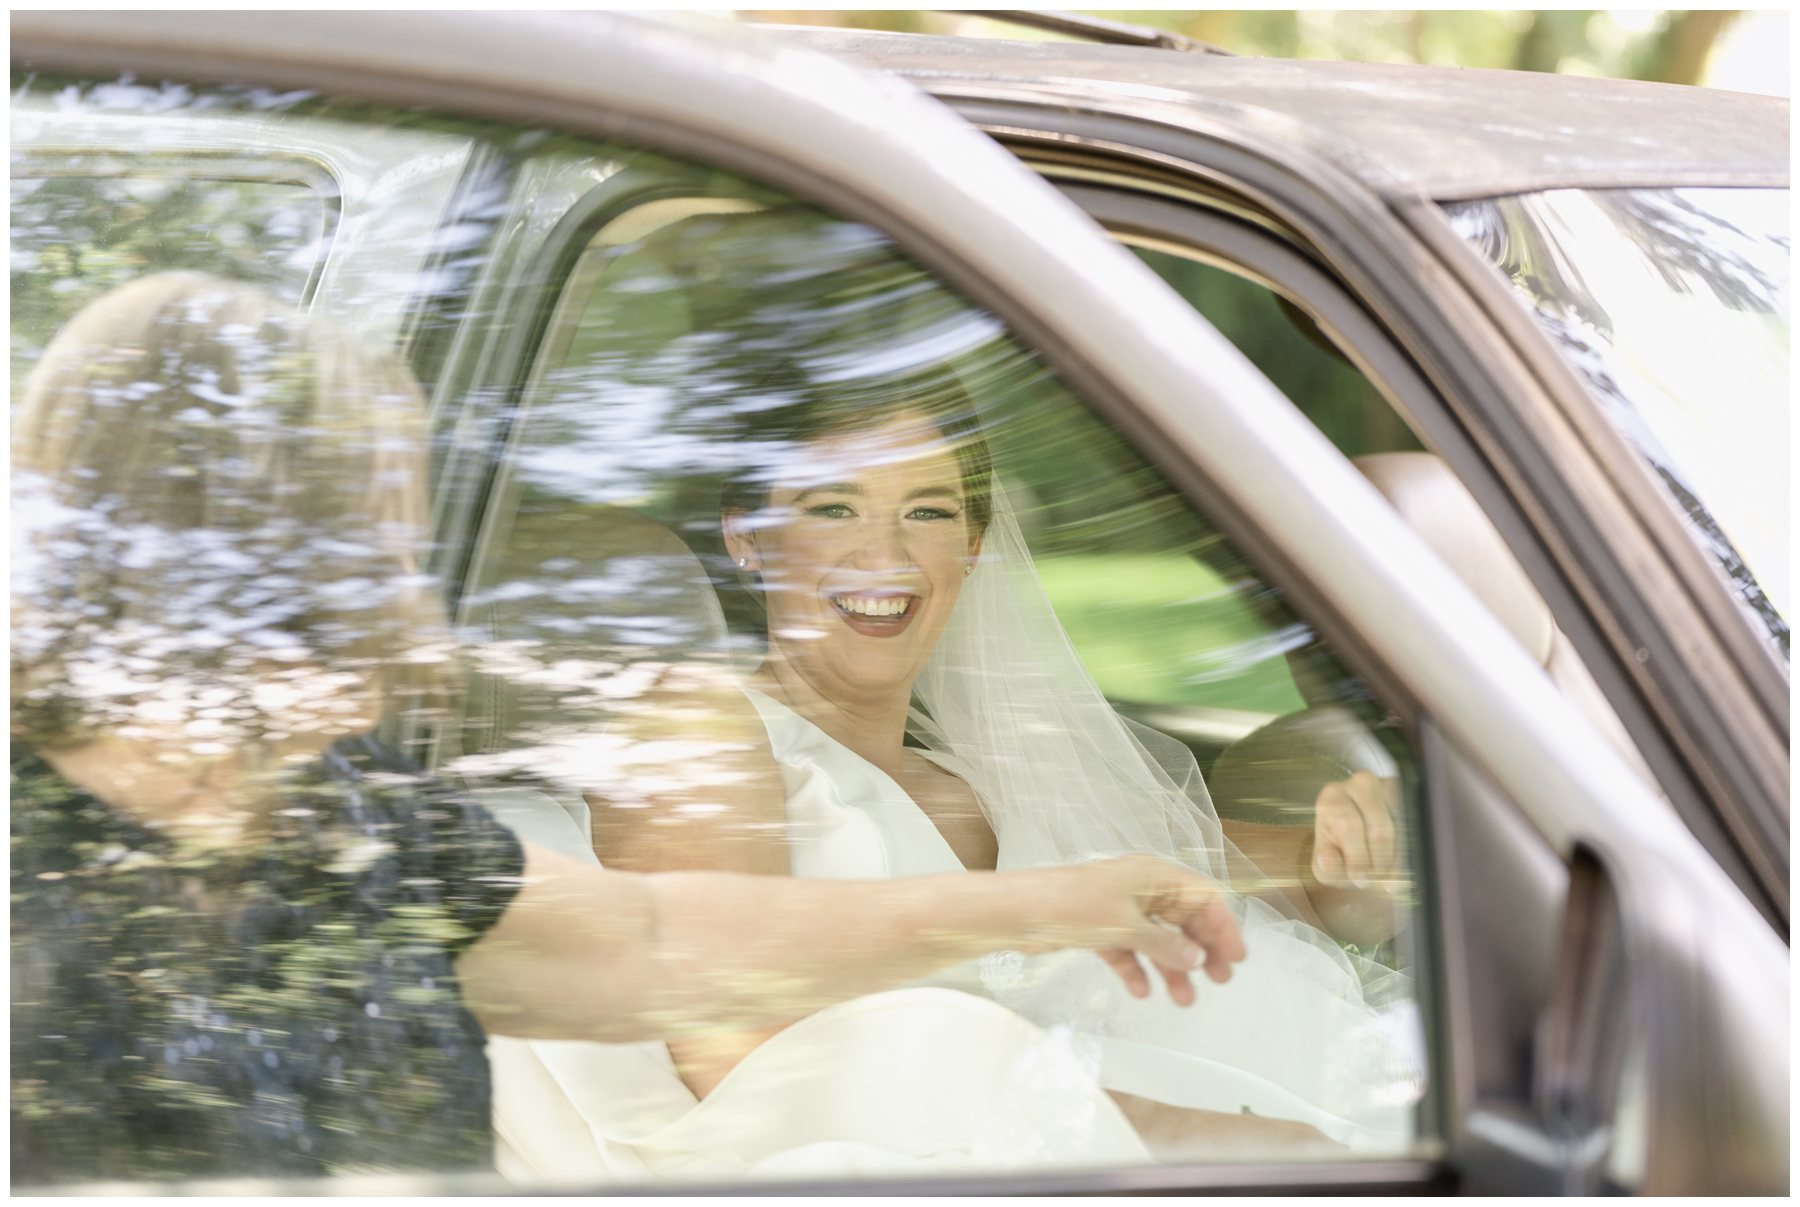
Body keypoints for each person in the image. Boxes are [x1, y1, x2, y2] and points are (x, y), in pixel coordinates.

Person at [8, 272, 1249, 1185]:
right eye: (376, 539)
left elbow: (654, 941)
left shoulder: (349, 818)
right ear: (210, 548)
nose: (416, 601)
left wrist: (1046, 904)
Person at [514, 365, 1423, 1177]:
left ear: (975, 545)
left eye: (929, 511)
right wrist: (1162, 1136)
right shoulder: (697, 727)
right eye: (833, 507)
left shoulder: (986, 778)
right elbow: (739, 1048)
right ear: (746, 537)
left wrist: (1353, 855)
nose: (886, 557)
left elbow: (1237, 882)